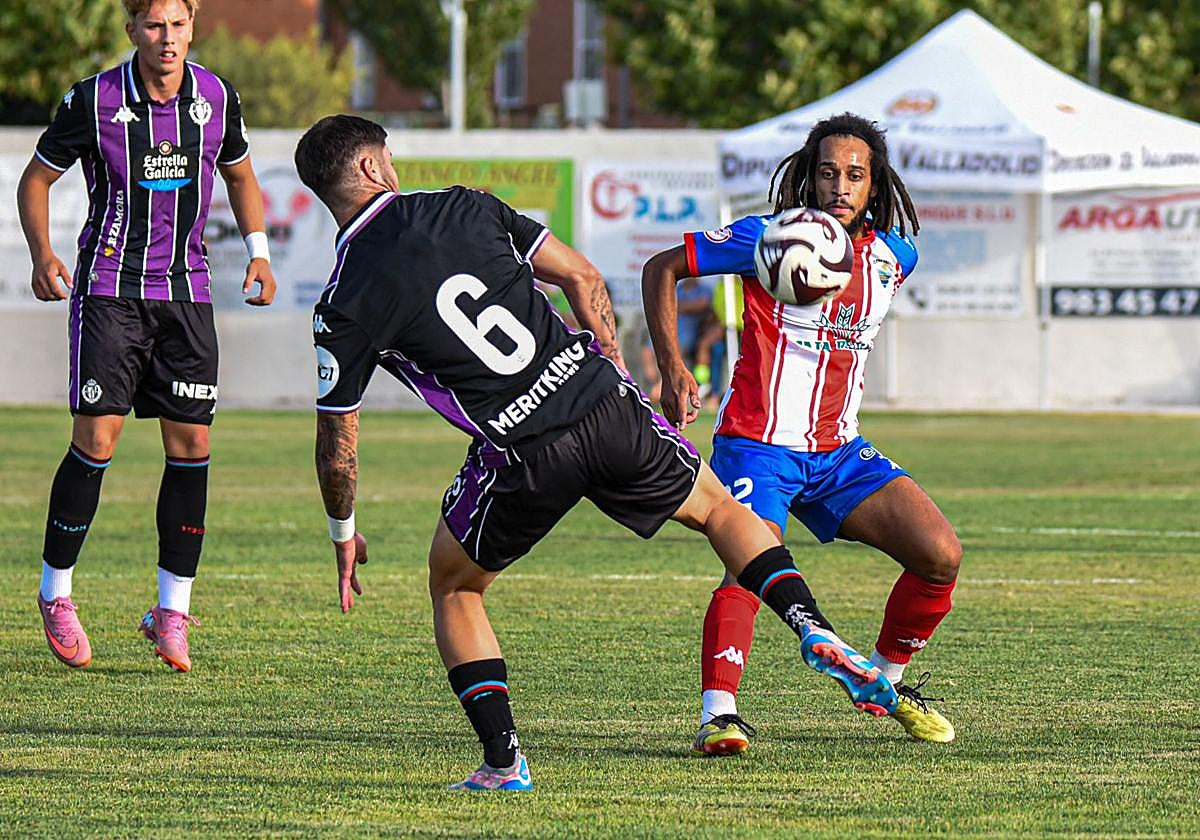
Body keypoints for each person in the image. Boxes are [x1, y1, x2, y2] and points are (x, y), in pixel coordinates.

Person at [294, 114, 900, 791]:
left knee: (455, 587)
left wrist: (343, 532)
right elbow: (582, 277)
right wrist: (608, 365)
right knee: (722, 512)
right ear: (374, 169)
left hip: (522, 452)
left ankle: (504, 762)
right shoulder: (463, 205)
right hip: (602, 402)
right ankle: (811, 624)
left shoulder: (341, 302)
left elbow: (338, 449)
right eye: (389, 158)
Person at [642, 112, 962, 755]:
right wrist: (674, 365)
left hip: (840, 452)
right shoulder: (766, 238)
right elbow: (661, 268)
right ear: (809, 180)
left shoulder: (897, 257)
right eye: (827, 173)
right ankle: (719, 714)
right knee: (750, 565)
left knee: (939, 555)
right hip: (757, 444)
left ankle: (886, 684)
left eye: (855, 174)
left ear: (877, 185)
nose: (840, 185)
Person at [18, 0, 276, 673]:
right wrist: (43, 252)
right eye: (154, 26)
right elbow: (37, 178)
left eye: (179, 25)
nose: (168, 39)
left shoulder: (217, 97)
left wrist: (259, 252)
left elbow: (241, 174)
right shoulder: (94, 99)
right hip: (109, 289)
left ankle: (171, 613)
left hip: (186, 296)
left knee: (191, 445)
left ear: (194, 28)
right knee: (97, 437)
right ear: (132, 29)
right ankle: (56, 592)